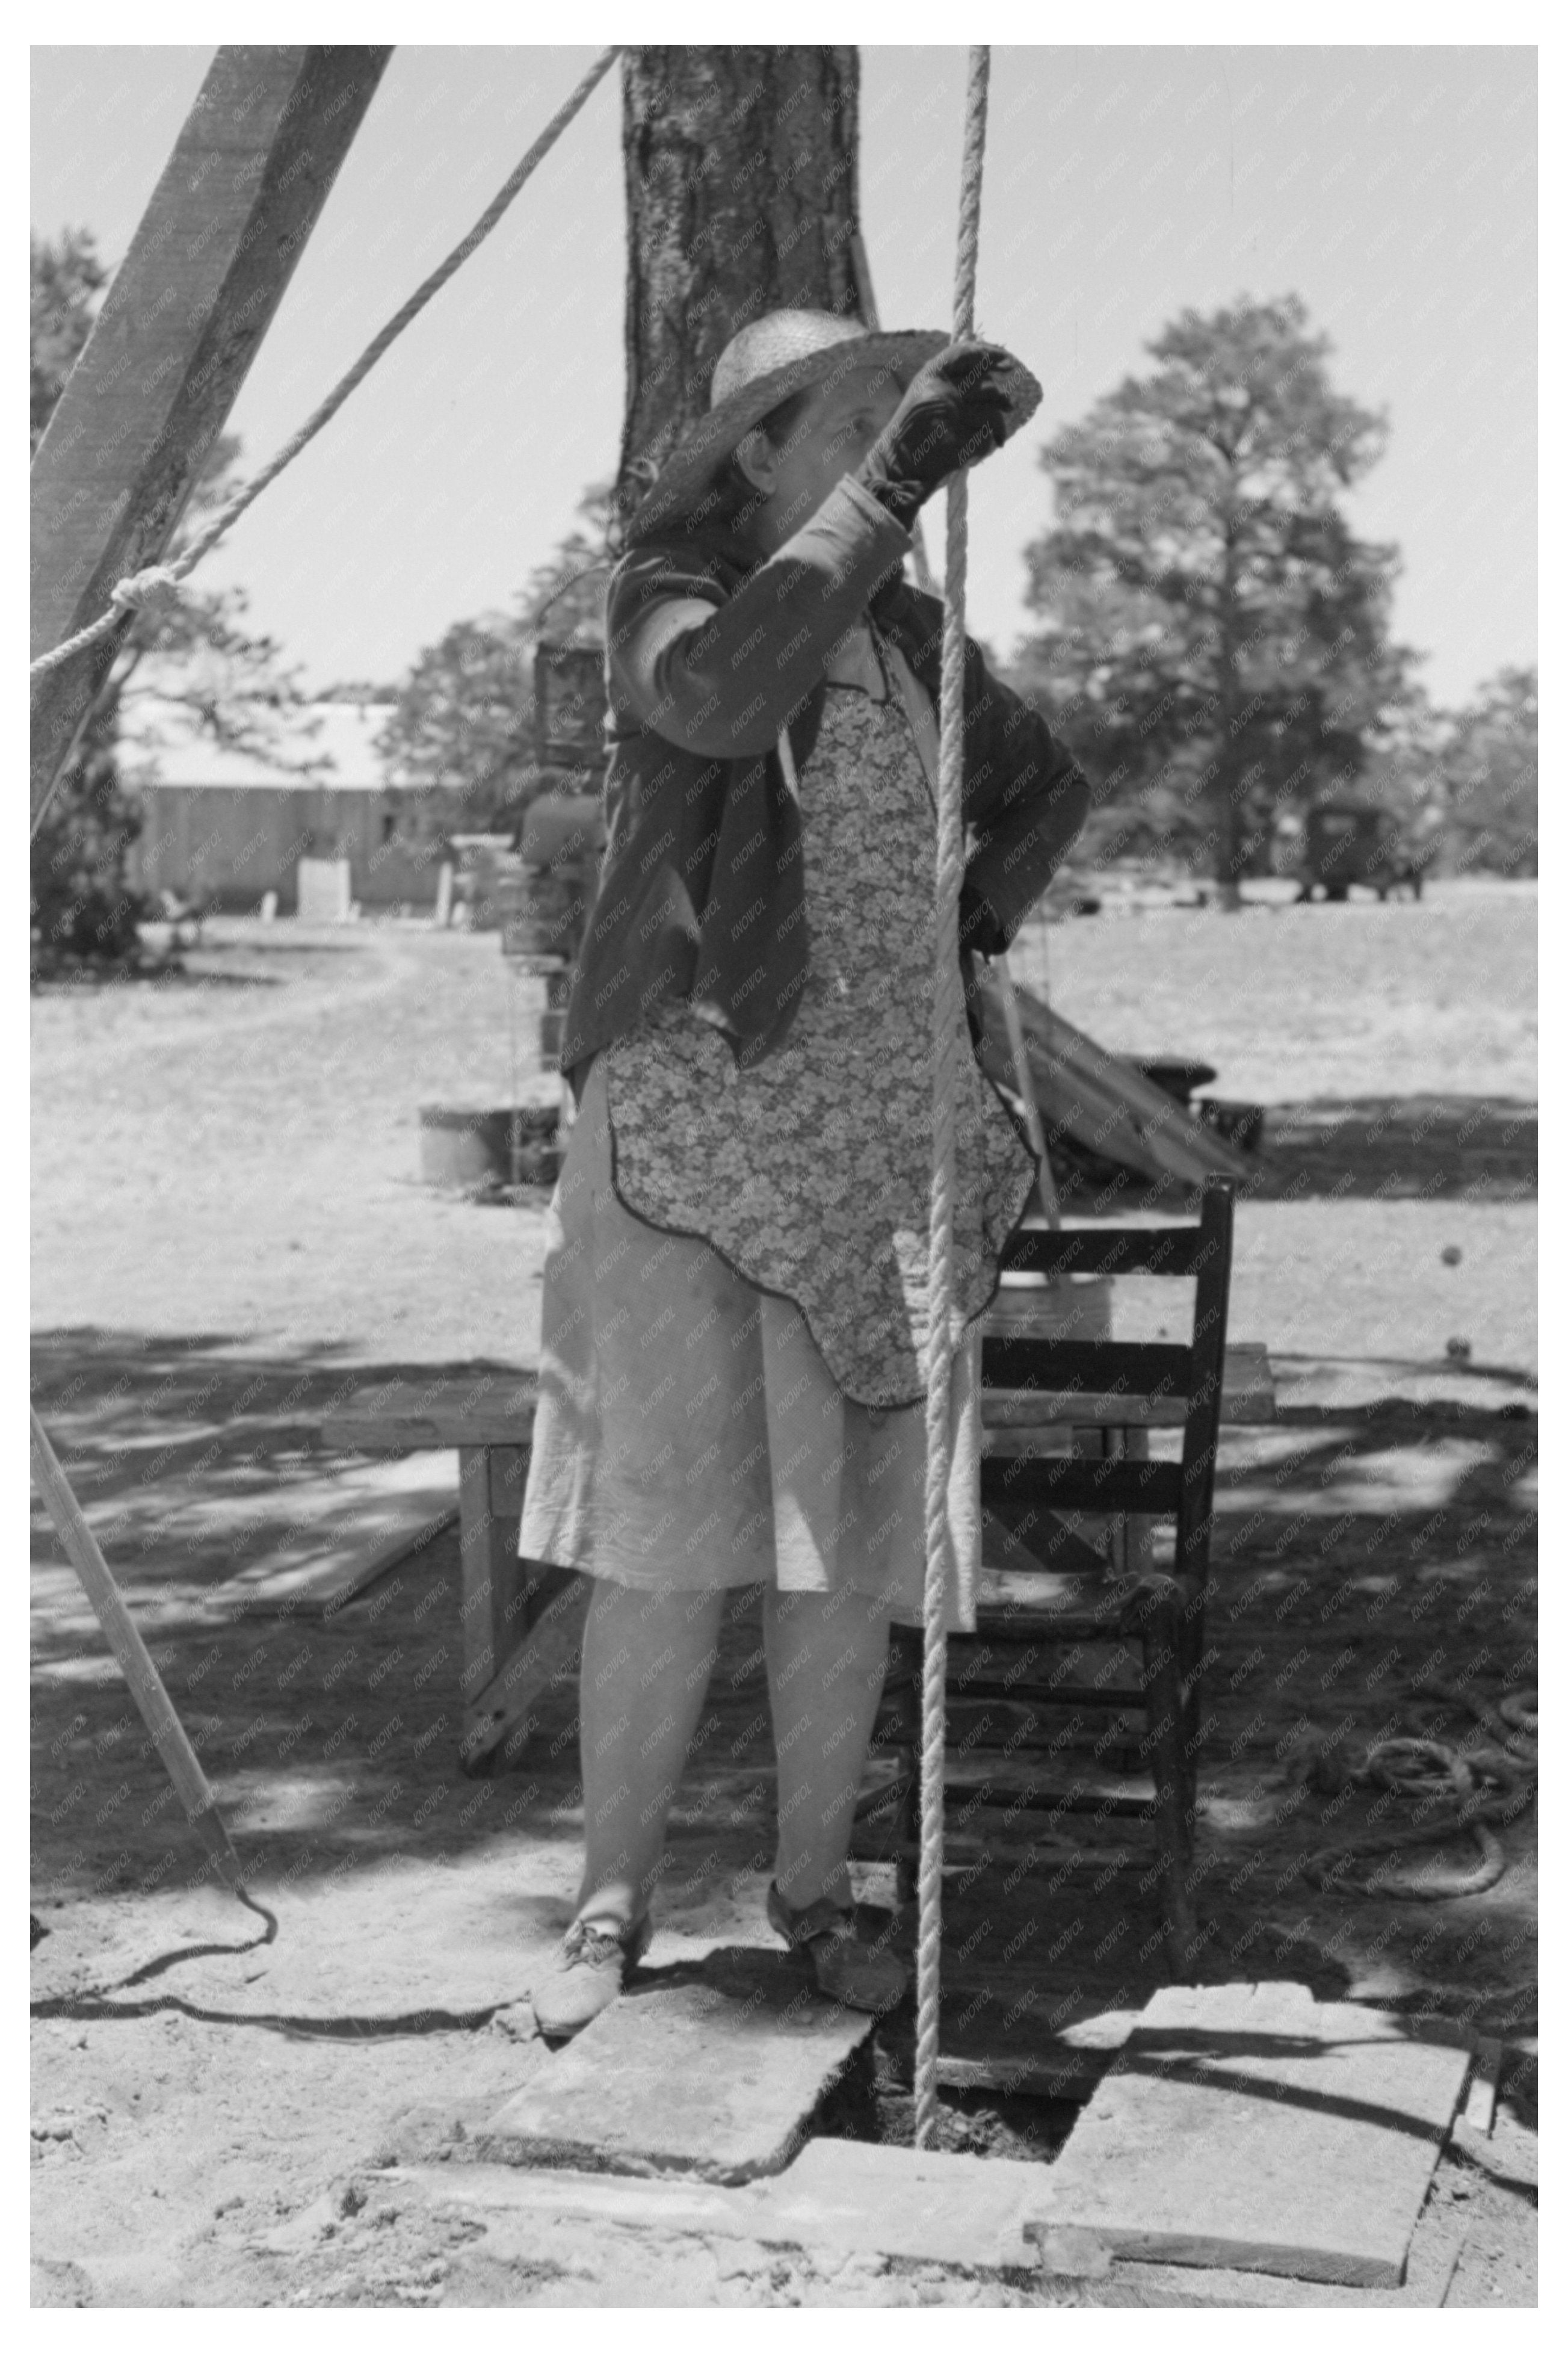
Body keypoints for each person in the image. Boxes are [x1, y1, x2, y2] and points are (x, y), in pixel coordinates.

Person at [518, 306, 1092, 2037]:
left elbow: (1050, 790)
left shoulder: (916, 641)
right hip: (689, 1129)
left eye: (902, 415)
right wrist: (901, 479)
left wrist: (968, 918)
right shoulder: (665, 594)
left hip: (871, 1156)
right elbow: (720, 696)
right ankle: (609, 1905)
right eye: (852, 412)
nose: (889, 431)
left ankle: (812, 1889)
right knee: (661, 1537)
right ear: (759, 453)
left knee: (846, 1551)